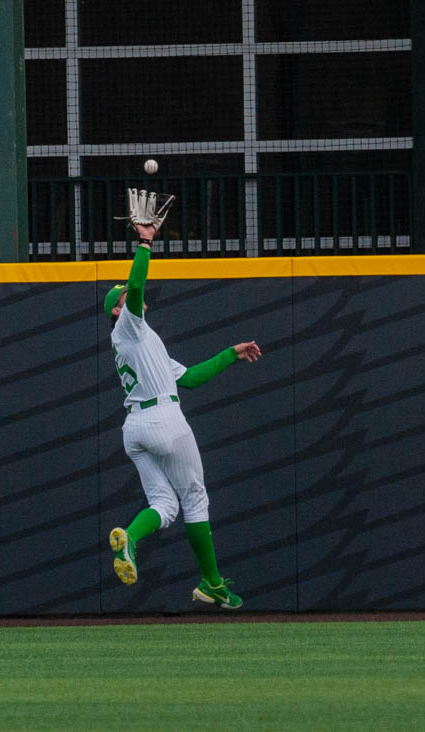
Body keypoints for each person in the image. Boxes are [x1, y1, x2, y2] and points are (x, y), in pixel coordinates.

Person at [104, 218, 262, 610]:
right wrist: (144, 243)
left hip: (136, 428)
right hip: (163, 421)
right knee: (195, 499)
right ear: (116, 312)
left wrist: (231, 354)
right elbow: (137, 285)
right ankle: (211, 583)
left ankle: (131, 538)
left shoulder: (146, 342)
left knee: (166, 504)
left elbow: (189, 378)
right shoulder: (128, 328)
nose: (131, 297)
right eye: (123, 299)